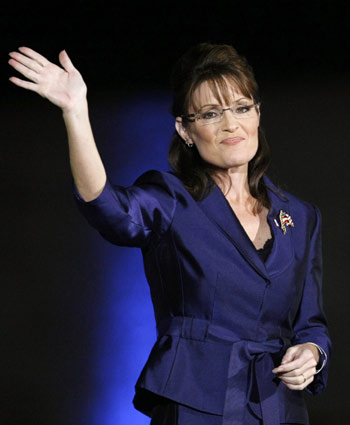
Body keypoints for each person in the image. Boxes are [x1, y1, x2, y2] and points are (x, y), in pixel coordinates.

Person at [8, 42, 331, 425]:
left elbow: (311, 323)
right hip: (195, 402)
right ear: (185, 129)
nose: (231, 125)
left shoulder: (299, 216)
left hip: (278, 407)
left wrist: (311, 352)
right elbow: (107, 207)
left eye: (242, 108)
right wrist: (76, 112)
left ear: (257, 115)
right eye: (211, 114)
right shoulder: (171, 198)